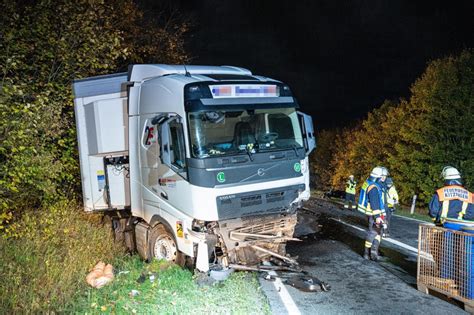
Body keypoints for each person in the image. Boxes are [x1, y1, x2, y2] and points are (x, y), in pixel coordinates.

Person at [358, 166, 388, 261]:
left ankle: (373, 252)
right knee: (373, 233)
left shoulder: (373, 184)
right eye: (383, 176)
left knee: (378, 233)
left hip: (377, 214)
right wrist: (378, 217)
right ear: (380, 176)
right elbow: (374, 203)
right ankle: (366, 253)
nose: (384, 178)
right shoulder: (373, 187)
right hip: (374, 214)